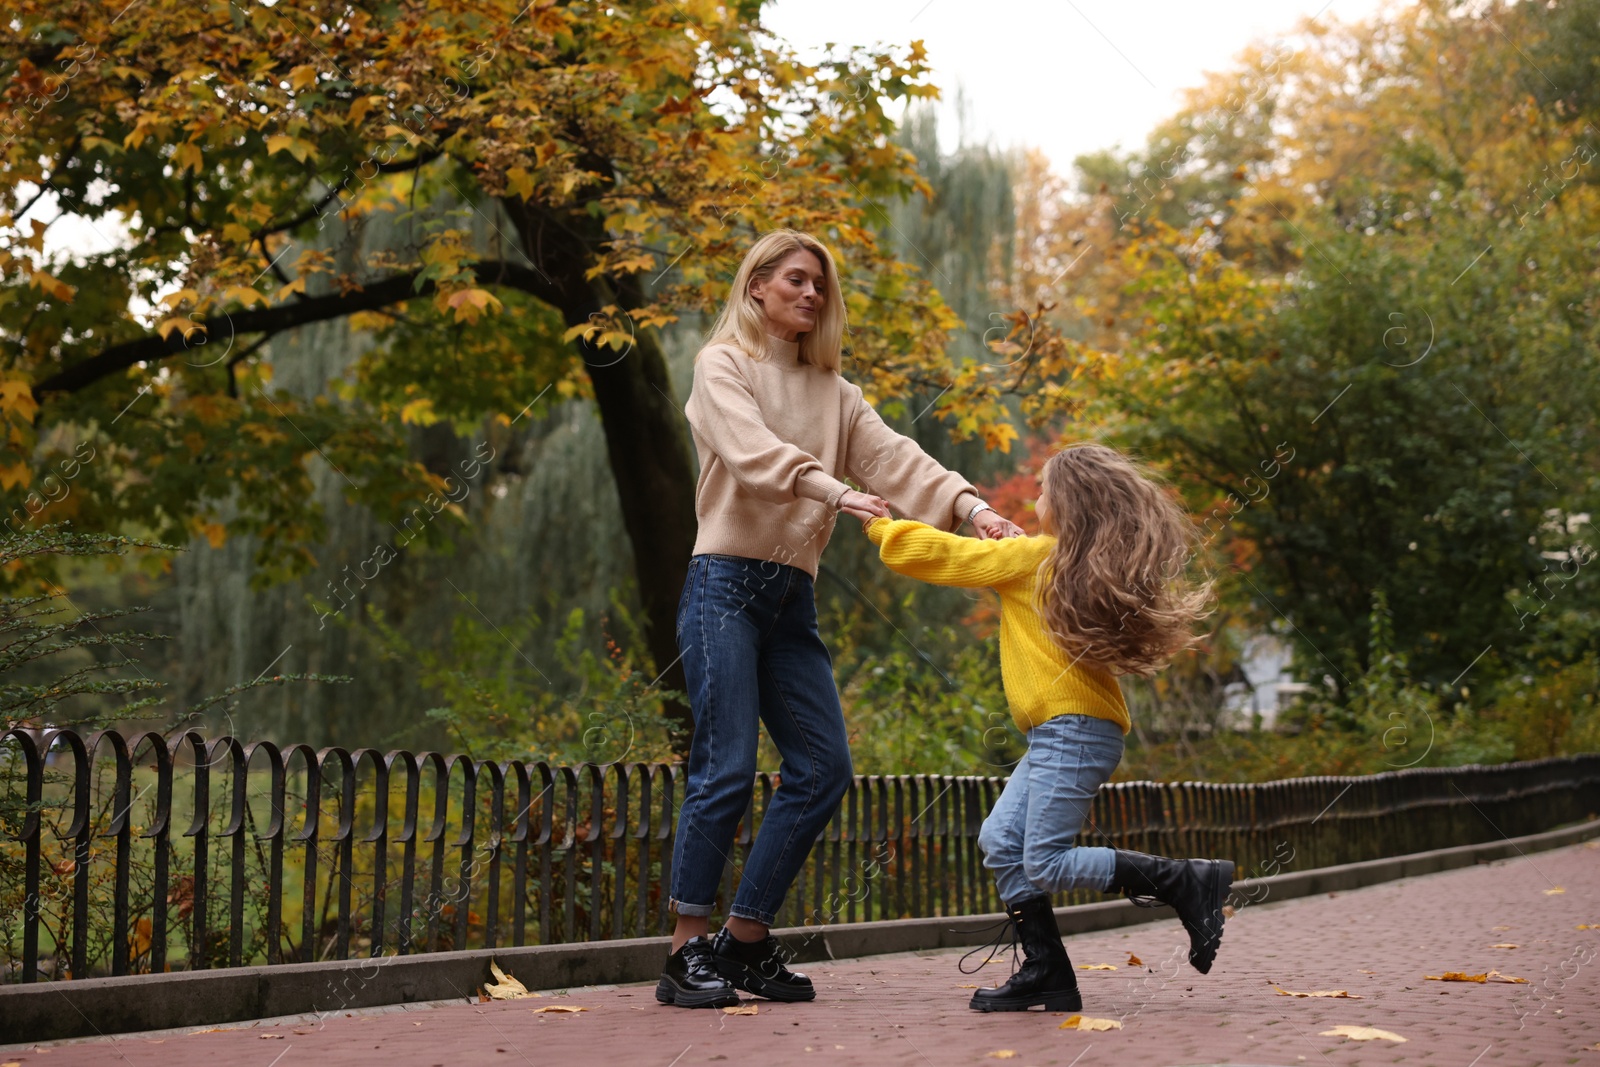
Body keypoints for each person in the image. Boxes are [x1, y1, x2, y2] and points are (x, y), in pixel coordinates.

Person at [656, 229, 1026, 1009]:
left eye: (820, 284)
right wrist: (829, 489)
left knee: (824, 769)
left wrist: (975, 508)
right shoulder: (721, 365)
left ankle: (745, 941)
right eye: (796, 279)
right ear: (756, 285)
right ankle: (686, 951)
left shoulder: (836, 392)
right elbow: (752, 452)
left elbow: (897, 459)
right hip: (722, 584)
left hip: (792, 598)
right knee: (724, 765)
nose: (811, 294)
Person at [861, 442, 1228, 1013]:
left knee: (1045, 862)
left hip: (1073, 731)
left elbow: (942, 557)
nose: (1035, 499)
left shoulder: (1035, 559)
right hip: (1066, 733)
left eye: (1043, 491)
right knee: (1001, 843)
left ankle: (1183, 880)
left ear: (1066, 504)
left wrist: (883, 528)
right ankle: (1047, 971)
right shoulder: (1066, 562)